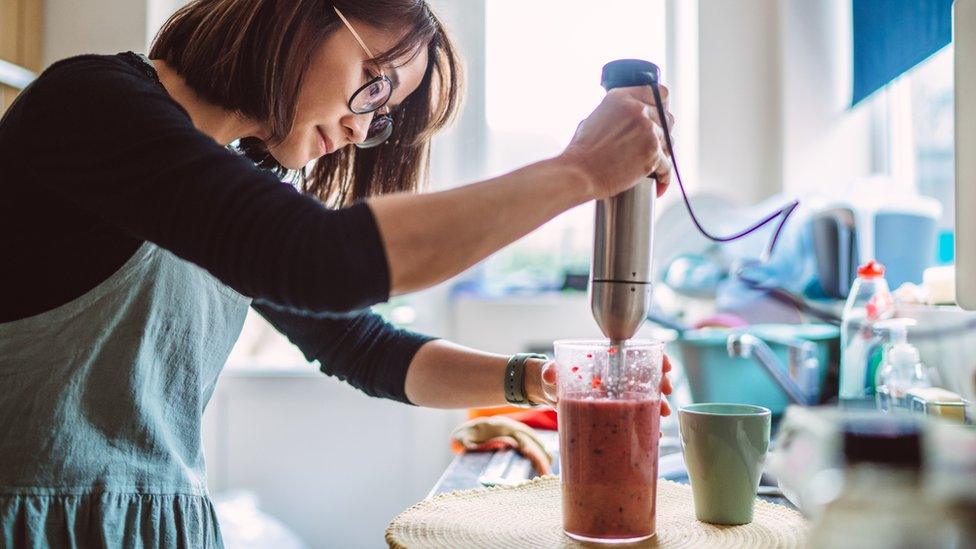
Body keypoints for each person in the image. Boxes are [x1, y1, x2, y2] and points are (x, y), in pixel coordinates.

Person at [0, 0, 675, 546]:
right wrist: (579, 170)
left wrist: (537, 381)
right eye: (373, 80)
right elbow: (320, 258)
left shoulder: (232, 185)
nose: (362, 127)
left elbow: (362, 346)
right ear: (300, 13)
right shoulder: (91, 105)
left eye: (381, 115)